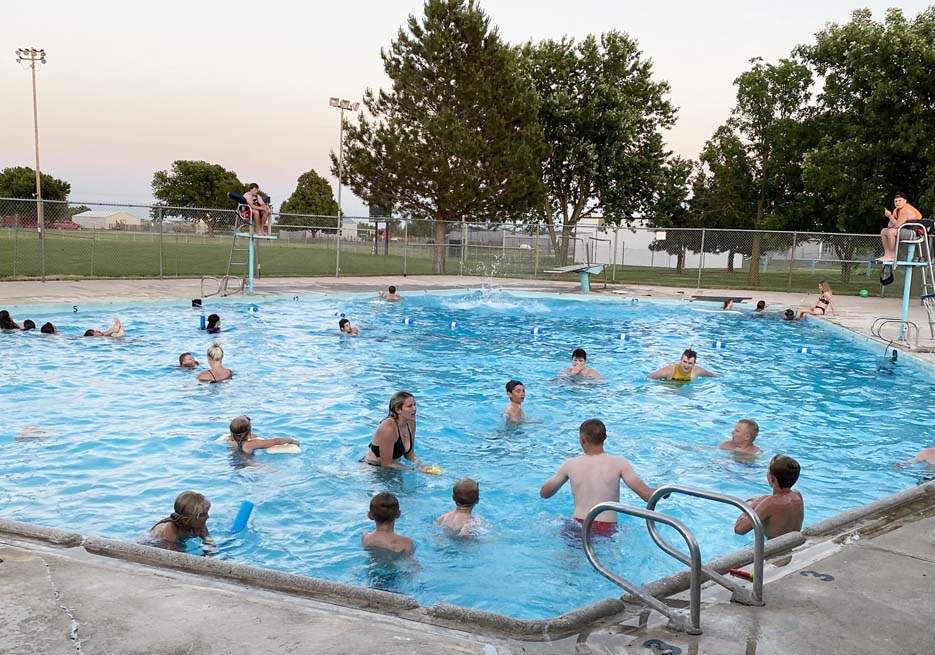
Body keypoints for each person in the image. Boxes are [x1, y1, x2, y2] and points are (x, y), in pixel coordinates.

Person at [540, 419, 655, 535]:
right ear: (605, 438)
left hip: (578, 527)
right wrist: (662, 491)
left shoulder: (571, 464)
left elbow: (545, 493)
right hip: (606, 529)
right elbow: (646, 495)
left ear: (582, 439)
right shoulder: (620, 463)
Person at [734, 454, 804, 539]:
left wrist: (750, 506)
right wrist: (762, 501)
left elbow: (739, 529)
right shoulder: (797, 495)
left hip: (775, 548)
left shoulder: (770, 503)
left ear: (772, 478)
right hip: (794, 542)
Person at [364, 391, 425, 471]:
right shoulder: (388, 428)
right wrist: (415, 470)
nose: (414, 408)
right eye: (410, 406)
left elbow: (410, 455)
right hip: (374, 468)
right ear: (398, 410)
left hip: (394, 466)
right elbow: (386, 464)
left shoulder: (410, 422)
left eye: (414, 405)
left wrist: (422, 466)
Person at [149, 491, 214, 552]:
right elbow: (177, 557)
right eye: (203, 515)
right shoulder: (171, 531)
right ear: (186, 519)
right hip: (151, 544)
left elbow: (210, 545)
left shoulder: (199, 526)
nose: (208, 517)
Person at [362, 491, 415, 556]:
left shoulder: (366, 537)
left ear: (370, 515)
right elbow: (411, 563)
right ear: (398, 514)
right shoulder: (405, 542)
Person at [879, 193, 923, 262]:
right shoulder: (896, 210)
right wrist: (893, 221)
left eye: (899, 200)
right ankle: (887, 254)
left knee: (891, 231)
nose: (897, 203)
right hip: (904, 230)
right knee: (884, 231)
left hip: (915, 233)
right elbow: (889, 225)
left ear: (905, 201)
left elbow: (896, 225)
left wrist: (890, 216)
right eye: (895, 201)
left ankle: (892, 255)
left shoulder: (906, 210)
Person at [225, 415, 299, 455]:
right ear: (249, 431)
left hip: (234, 465)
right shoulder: (251, 444)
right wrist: (292, 441)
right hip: (248, 466)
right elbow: (276, 441)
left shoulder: (229, 440)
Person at [648, 348, 716, 381]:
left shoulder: (697, 371)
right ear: (680, 361)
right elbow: (649, 378)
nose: (686, 366)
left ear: (694, 364)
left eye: (690, 363)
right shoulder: (669, 371)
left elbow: (712, 376)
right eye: (684, 362)